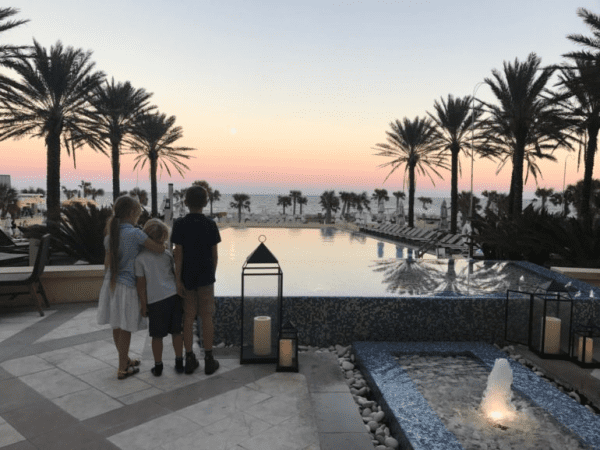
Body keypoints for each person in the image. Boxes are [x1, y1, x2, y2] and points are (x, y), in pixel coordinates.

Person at [97, 195, 167, 380]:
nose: (138, 216)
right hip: (127, 286)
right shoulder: (135, 234)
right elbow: (158, 249)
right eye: (138, 212)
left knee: (117, 325)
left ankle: (125, 359)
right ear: (131, 213)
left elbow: (107, 264)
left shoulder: (110, 235)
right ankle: (122, 368)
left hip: (110, 285)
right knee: (126, 326)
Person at [172, 185, 221, 375]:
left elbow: (178, 255)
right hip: (205, 278)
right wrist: (211, 275)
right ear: (206, 203)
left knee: (188, 318)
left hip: (187, 278)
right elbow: (215, 255)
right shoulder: (211, 225)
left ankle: (190, 358)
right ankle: (209, 359)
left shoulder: (180, 224)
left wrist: (178, 281)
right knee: (207, 318)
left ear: (185, 202)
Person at [135, 219, 184, 376]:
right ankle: (179, 361)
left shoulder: (140, 259)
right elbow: (175, 273)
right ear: (164, 237)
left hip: (156, 302)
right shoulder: (167, 254)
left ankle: (158, 365)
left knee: (157, 336)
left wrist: (144, 305)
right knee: (177, 332)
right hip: (173, 297)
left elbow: (141, 285)